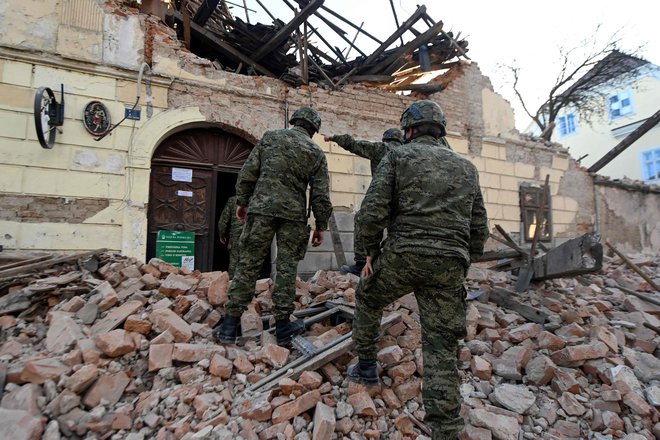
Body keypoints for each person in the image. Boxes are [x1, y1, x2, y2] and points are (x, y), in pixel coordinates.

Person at [347, 100, 489, 439]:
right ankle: (446, 427)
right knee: (440, 343)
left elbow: (370, 212)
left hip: (403, 255)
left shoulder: (397, 156)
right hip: (449, 264)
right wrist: (464, 259)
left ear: (408, 130)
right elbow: (479, 225)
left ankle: (366, 368)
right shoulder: (467, 167)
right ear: (439, 130)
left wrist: (368, 253)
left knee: (368, 297)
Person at [213, 106, 333, 347]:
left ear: (294, 122)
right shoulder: (316, 153)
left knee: (248, 263)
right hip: (293, 216)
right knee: (287, 270)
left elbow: (248, 172)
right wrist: (321, 225)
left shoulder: (270, 138)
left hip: (261, 209)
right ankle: (283, 329)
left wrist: (243, 202)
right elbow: (321, 194)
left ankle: (229, 325)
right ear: (314, 130)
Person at [323, 128, 404, 276]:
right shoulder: (408, 152)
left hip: (384, 198)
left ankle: (361, 264)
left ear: (385, 139)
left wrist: (333, 137)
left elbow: (354, 144)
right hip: (406, 202)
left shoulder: (381, 148)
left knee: (363, 219)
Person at [217, 195, 243, 278]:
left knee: (234, 262)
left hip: (237, 234)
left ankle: (232, 284)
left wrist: (222, 234)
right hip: (253, 233)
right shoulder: (257, 199)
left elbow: (224, 219)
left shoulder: (233, 200)